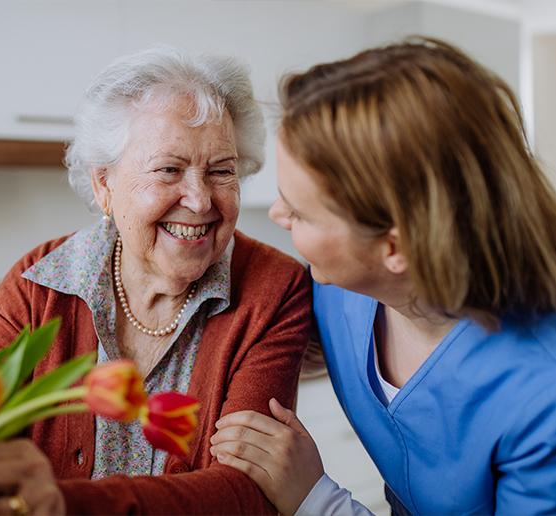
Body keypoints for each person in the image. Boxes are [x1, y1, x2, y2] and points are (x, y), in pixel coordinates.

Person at [0, 48, 312, 514]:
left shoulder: (274, 289)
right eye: (169, 169)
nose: (200, 200)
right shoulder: (34, 289)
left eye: (222, 171)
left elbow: (249, 492)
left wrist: (62, 503)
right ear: (105, 185)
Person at [209, 37, 556, 515]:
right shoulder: (341, 295)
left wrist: (316, 499)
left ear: (395, 247)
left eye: (301, 213)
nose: (277, 214)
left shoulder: (542, 397)